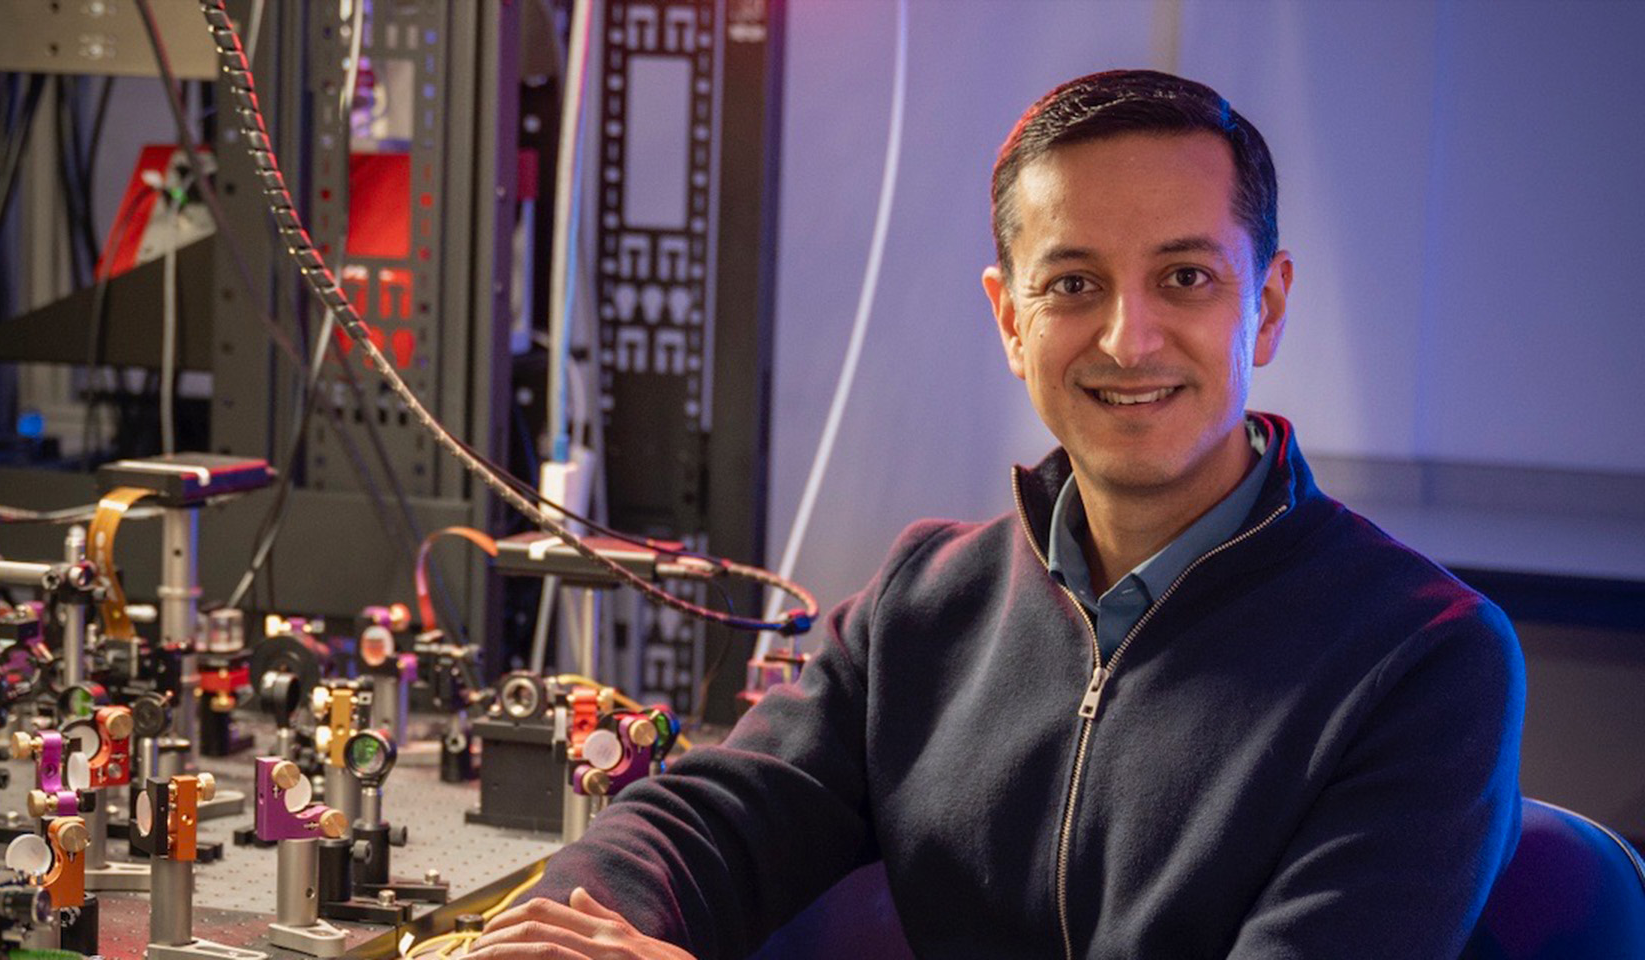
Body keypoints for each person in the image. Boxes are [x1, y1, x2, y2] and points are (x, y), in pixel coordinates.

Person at [463, 69, 1524, 959]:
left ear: (1268, 306)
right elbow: (713, 818)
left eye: (1185, 276)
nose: (1129, 340)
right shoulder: (925, 602)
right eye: (1073, 285)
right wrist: (569, 935)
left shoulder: (1427, 661)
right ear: (1011, 319)